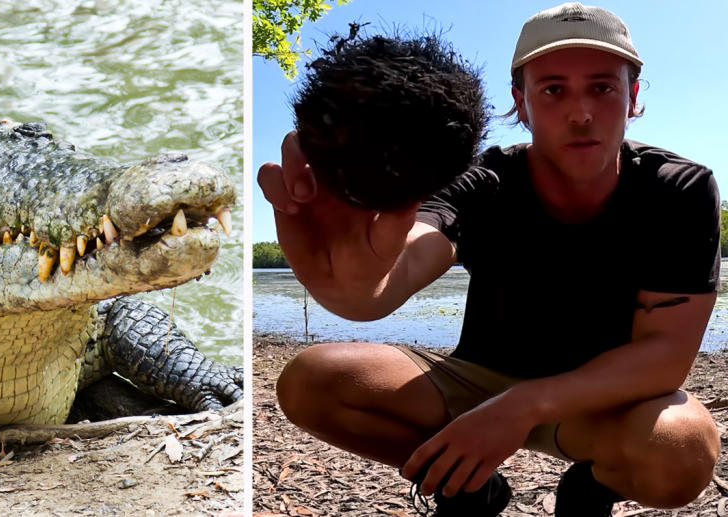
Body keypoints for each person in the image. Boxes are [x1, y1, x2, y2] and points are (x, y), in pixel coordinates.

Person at [257, 3, 721, 516]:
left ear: (632, 97)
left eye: (602, 87)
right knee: (311, 382)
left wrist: (524, 406)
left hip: (601, 404)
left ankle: (591, 489)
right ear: (520, 104)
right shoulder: (485, 180)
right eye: (552, 89)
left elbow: (665, 356)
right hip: (475, 381)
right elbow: (402, 264)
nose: (581, 112)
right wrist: (356, 262)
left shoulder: (678, 189)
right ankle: (467, 486)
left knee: (684, 448)